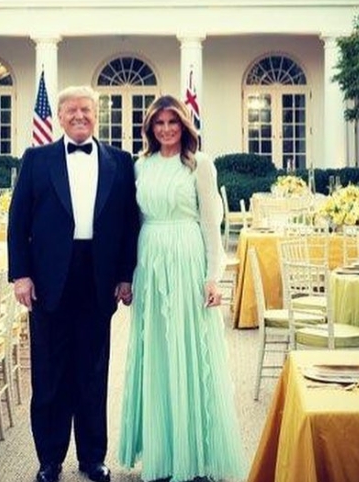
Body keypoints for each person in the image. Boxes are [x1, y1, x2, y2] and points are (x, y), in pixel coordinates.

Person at [7, 86, 140, 482]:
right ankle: (49, 459)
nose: (79, 116)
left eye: (86, 109)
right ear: (60, 116)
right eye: (71, 110)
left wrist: (124, 274)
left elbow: (129, 225)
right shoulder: (36, 159)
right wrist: (21, 275)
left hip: (97, 278)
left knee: (93, 371)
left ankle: (92, 457)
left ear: (96, 114)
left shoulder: (120, 161)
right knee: (49, 373)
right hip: (49, 280)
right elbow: (18, 224)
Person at [117, 95, 246, 481]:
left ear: (184, 126)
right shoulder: (140, 165)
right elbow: (133, 222)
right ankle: (162, 451)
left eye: (173, 123)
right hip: (151, 262)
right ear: (150, 127)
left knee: (188, 351)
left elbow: (212, 225)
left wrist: (214, 276)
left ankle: (194, 453)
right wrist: (129, 273)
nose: (166, 130)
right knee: (156, 350)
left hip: (188, 260)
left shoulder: (200, 165)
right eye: (159, 123)